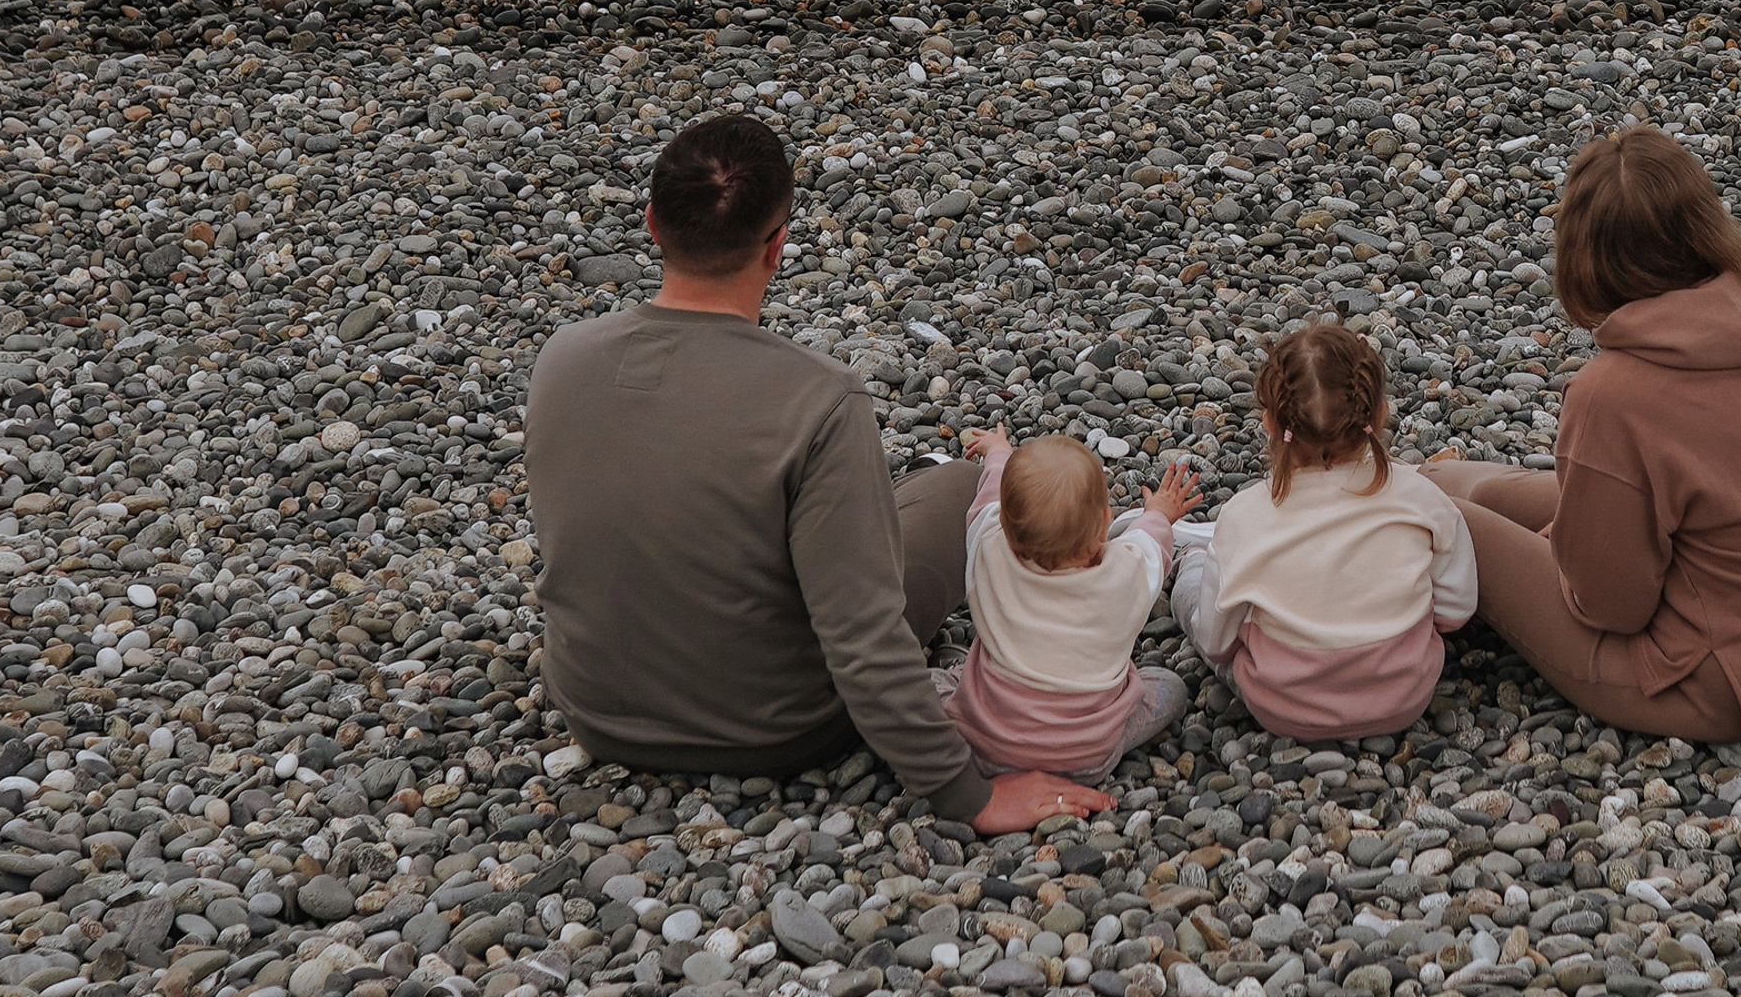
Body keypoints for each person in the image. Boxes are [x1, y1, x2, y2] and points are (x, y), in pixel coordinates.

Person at [525, 112, 1106, 834]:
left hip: (597, 712)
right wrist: (971, 796)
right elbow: (862, 640)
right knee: (962, 488)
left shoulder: (562, 359)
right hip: (775, 729)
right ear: (777, 245)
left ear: (651, 224)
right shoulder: (819, 397)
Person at [1423, 126, 1741, 742]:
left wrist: (1555, 550)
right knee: (1463, 487)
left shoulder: (1612, 394)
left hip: (1730, 680)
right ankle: (1400, 492)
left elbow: (1611, 608)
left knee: (1437, 516)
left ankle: (1323, 561)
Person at [1171, 323, 1477, 740]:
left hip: (1286, 707)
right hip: (1404, 698)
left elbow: (1215, 641)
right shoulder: (1422, 499)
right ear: (1380, 414)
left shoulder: (1244, 517)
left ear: (1269, 423)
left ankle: (1186, 557)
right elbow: (1457, 609)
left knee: (1194, 589)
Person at [935, 428, 1196, 778]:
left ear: (1006, 526)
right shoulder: (1125, 573)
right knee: (1170, 687)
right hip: (1087, 756)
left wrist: (998, 452)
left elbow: (990, 497)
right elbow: (1150, 543)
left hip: (986, 746)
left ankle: (960, 678)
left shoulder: (989, 546)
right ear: (1105, 524)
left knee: (923, 682)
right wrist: (1159, 512)